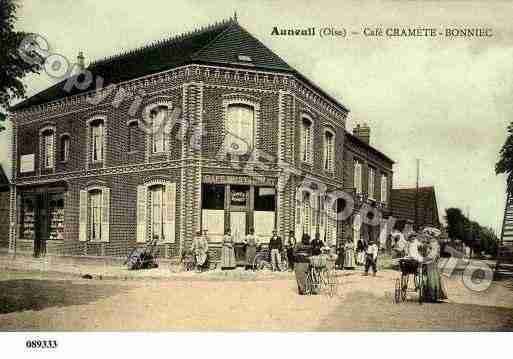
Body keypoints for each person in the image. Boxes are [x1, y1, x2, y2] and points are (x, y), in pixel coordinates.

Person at [423, 236, 448, 302]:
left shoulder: (433, 244)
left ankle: (432, 296)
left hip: (431, 263)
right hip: (432, 263)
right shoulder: (434, 244)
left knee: (432, 278)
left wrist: (424, 258)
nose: (427, 238)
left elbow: (432, 255)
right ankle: (431, 295)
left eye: (428, 236)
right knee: (431, 278)